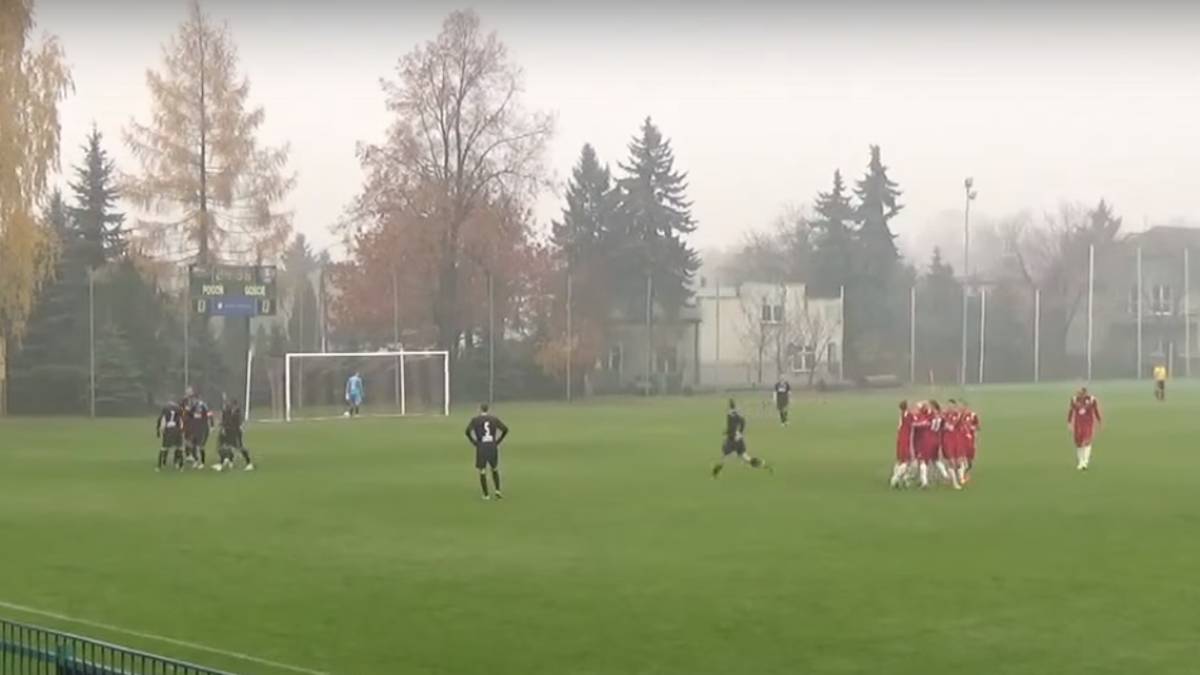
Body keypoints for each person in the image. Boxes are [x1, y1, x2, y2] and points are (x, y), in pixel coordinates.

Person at [712, 399, 772, 477]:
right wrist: (740, 432)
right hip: (739, 439)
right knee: (745, 457)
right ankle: (762, 464)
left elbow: (732, 426)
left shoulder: (730, 415)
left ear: (729, 406)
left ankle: (715, 474)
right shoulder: (738, 416)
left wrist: (729, 432)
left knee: (724, 457)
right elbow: (741, 422)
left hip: (732, 440)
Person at [465, 403, 509, 500]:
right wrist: (498, 441)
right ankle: (497, 491)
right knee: (494, 468)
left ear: (480, 409)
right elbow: (505, 429)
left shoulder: (475, 420)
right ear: (488, 409)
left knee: (482, 470)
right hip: (492, 446)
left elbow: (467, 431)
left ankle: (486, 495)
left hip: (481, 446)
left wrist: (474, 442)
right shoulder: (494, 419)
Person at [1068, 387, 1102, 470]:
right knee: (1079, 443)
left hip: (1088, 424)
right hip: (1078, 424)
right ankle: (1080, 461)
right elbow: (1071, 411)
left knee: (1087, 441)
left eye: (1082, 392)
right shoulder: (1074, 399)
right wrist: (1069, 422)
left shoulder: (1092, 399)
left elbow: (1096, 410)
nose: (1080, 394)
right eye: (1079, 392)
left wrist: (1099, 420)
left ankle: (1085, 461)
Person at [216, 398, 255, 472]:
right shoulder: (229, 411)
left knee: (240, 448)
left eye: (232, 405)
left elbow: (236, 423)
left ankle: (249, 463)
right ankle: (222, 463)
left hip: (236, 433)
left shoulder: (237, 413)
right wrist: (223, 426)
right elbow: (226, 420)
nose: (230, 406)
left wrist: (226, 426)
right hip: (230, 432)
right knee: (225, 447)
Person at [889, 400, 916, 488]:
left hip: (900, 438)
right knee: (906, 461)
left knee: (900, 460)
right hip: (905, 439)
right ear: (906, 406)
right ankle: (895, 479)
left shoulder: (902, 414)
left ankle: (901, 479)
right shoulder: (908, 415)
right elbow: (915, 423)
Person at [184, 395, 213, 469]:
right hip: (195, 428)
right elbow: (190, 415)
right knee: (193, 444)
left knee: (201, 446)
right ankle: (196, 461)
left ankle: (202, 462)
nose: (193, 400)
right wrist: (188, 411)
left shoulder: (203, 405)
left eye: (194, 399)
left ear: (197, 398)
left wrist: (211, 425)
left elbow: (210, 414)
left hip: (202, 428)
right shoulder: (194, 406)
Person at [155, 399, 185, 471]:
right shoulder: (179, 410)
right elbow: (181, 422)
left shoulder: (165, 411)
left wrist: (159, 431)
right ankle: (181, 466)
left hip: (169, 430)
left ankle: (159, 466)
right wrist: (181, 431)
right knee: (179, 448)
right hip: (177, 430)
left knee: (164, 448)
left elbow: (162, 421)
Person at [960, 402, 981, 484]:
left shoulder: (973, 415)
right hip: (960, 440)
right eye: (960, 407)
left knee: (969, 460)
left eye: (963, 407)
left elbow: (978, 427)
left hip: (970, 441)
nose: (962, 408)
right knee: (961, 458)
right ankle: (961, 476)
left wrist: (972, 427)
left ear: (967, 407)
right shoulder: (958, 416)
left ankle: (966, 473)